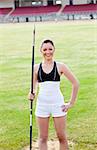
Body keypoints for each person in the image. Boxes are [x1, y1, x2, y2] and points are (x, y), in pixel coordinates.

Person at [28, 39, 79, 150]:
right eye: (45, 49)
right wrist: (31, 94)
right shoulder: (36, 68)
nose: (48, 52)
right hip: (42, 106)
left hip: (58, 105)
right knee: (42, 138)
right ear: (41, 50)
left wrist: (71, 103)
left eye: (50, 49)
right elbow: (33, 88)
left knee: (61, 137)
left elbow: (76, 83)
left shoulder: (60, 66)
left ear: (54, 50)